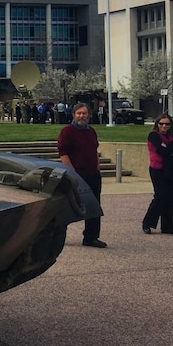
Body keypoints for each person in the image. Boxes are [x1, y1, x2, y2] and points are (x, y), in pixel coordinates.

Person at [57, 102, 107, 248]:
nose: (81, 116)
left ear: (89, 116)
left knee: (94, 206)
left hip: (92, 174)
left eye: (84, 113)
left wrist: (97, 168)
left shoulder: (91, 131)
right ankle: (58, 236)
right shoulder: (67, 132)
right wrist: (74, 173)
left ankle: (91, 237)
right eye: (78, 113)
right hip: (76, 175)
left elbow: (94, 151)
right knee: (68, 206)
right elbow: (63, 154)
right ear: (73, 115)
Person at [141, 114, 173, 234]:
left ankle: (168, 227)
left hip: (171, 170)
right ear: (157, 124)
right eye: (161, 123)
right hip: (158, 169)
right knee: (161, 196)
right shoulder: (153, 135)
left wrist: (169, 148)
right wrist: (171, 149)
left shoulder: (171, 136)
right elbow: (161, 150)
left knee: (171, 197)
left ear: (171, 125)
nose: (164, 126)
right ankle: (147, 223)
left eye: (167, 124)